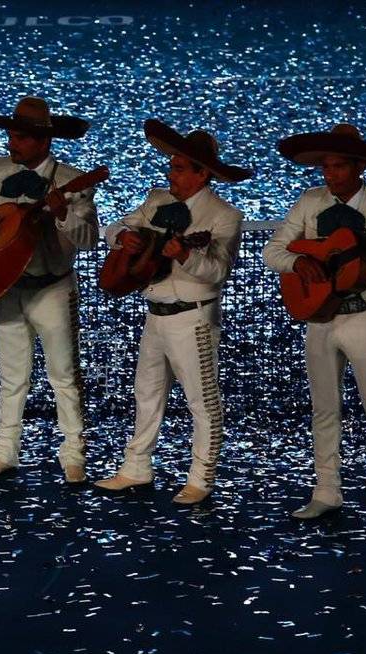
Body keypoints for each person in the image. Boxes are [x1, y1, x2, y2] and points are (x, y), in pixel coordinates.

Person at [262, 124, 366, 527]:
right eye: (325, 167)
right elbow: (273, 251)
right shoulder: (310, 201)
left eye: (338, 167)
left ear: (360, 166)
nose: (330, 175)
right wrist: (299, 262)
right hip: (320, 316)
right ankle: (326, 490)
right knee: (324, 409)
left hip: (365, 316)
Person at [94, 120, 250, 504]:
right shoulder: (156, 201)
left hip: (193, 318)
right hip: (156, 313)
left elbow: (218, 272)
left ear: (202, 174)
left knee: (202, 401)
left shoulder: (224, 215)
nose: (170, 174)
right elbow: (115, 227)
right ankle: (136, 467)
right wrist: (123, 237)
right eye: (172, 167)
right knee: (146, 393)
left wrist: (186, 256)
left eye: (179, 168)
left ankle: (201, 478)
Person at [0, 96, 99, 482]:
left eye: (19, 137)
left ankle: (74, 455)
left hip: (53, 290)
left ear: (43, 142)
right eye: (11, 135)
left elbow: (88, 240)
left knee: (63, 376)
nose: (10, 143)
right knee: (12, 378)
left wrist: (62, 214)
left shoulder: (72, 182)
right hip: (8, 289)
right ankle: (4, 454)